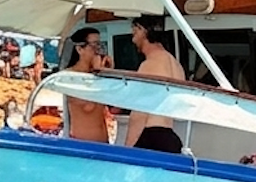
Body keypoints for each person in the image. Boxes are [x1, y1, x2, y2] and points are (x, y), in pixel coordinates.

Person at [125, 15, 186, 152]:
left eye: (135, 33)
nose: (133, 40)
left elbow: (140, 111)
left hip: (151, 137)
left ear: (143, 31)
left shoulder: (150, 65)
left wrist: (128, 148)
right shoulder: (176, 65)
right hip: (169, 137)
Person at [63, 26, 113, 143]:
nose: (98, 50)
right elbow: (88, 106)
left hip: (103, 141)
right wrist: (98, 74)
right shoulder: (69, 76)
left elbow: (112, 104)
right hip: (82, 144)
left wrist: (109, 74)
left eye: (100, 45)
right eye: (94, 45)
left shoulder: (97, 75)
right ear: (80, 49)